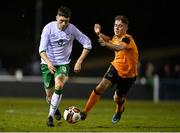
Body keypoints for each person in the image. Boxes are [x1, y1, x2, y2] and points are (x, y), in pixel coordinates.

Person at [39, 6, 92, 126]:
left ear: (69, 20)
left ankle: (50, 117)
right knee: (49, 95)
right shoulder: (48, 28)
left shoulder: (72, 29)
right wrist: (48, 63)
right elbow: (41, 50)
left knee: (59, 84)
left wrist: (79, 61)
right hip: (47, 63)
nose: (64, 24)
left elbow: (87, 43)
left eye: (66, 21)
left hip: (63, 64)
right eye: (61, 20)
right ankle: (55, 108)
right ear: (56, 18)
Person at [80, 15, 139, 124]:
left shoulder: (127, 38)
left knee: (117, 98)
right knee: (101, 86)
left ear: (126, 28)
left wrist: (106, 44)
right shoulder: (115, 37)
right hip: (115, 67)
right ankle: (85, 112)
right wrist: (98, 33)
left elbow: (119, 47)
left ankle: (119, 110)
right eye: (115, 25)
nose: (117, 28)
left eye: (120, 26)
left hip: (128, 75)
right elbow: (108, 39)